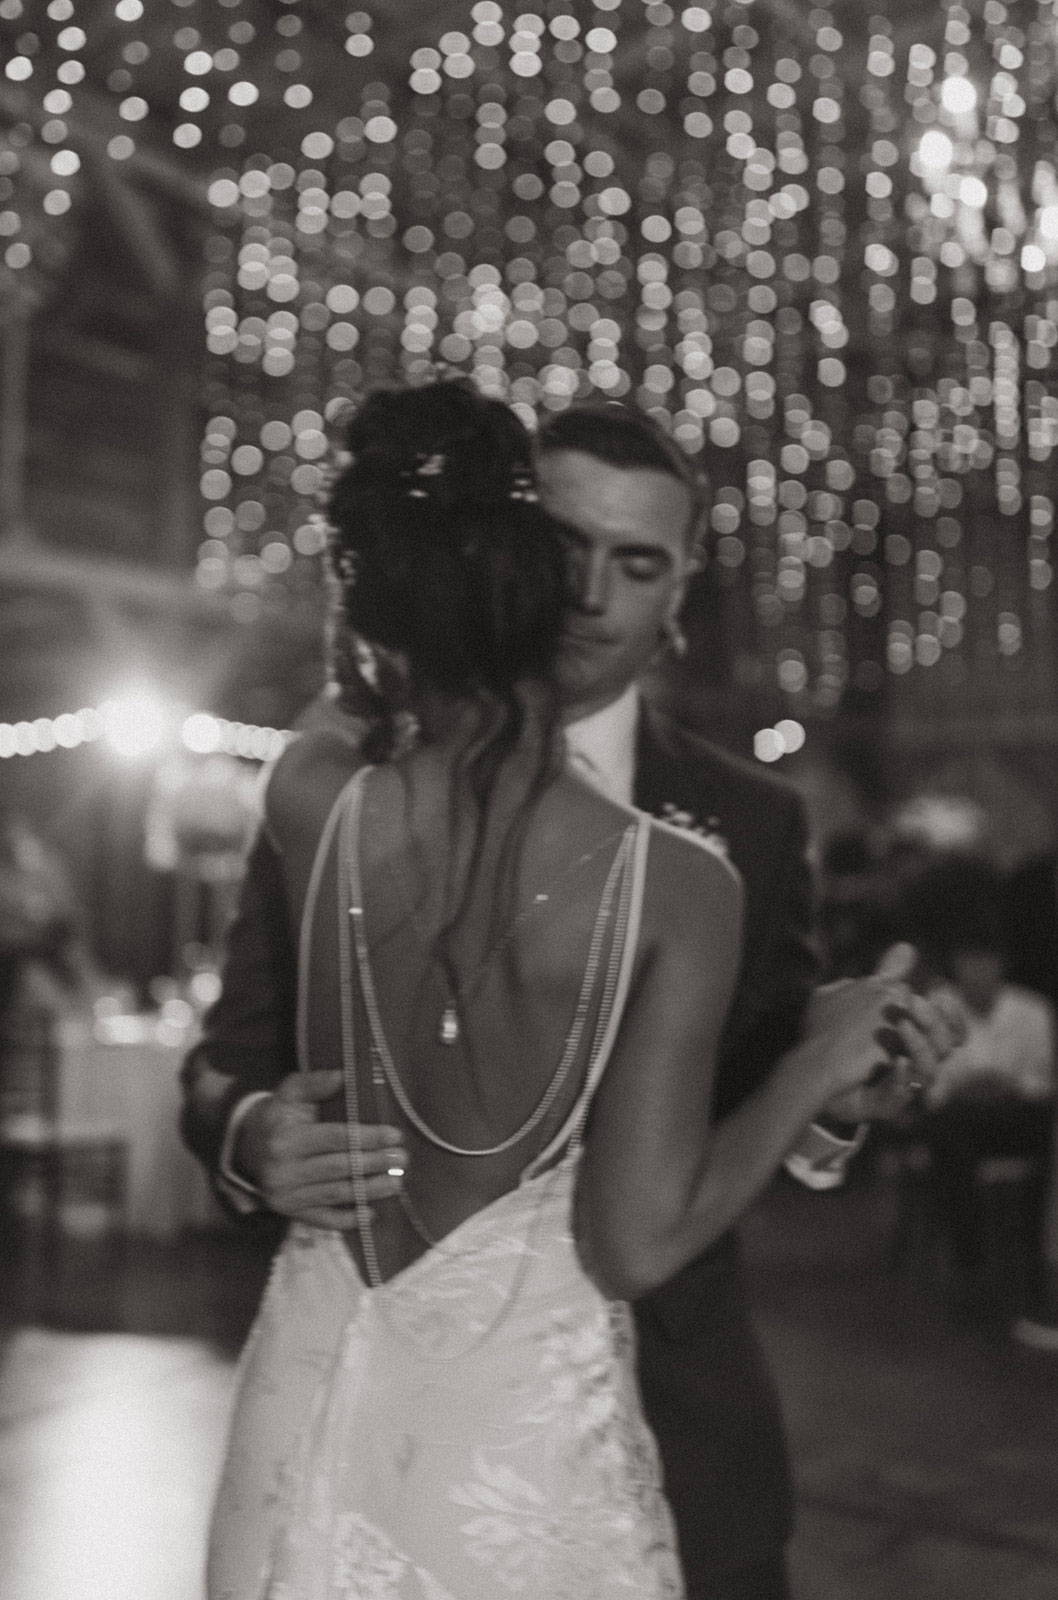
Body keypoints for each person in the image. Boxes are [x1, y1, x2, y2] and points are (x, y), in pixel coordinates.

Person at [184, 391, 955, 1600]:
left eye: (636, 563)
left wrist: (830, 1093)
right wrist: (244, 1129)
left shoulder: (318, 783)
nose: (593, 593)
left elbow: (751, 1078)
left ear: (676, 595)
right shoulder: (673, 885)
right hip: (501, 1449)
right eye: (564, 548)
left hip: (525, 1423)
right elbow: (229, 1052)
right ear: (511, 565)